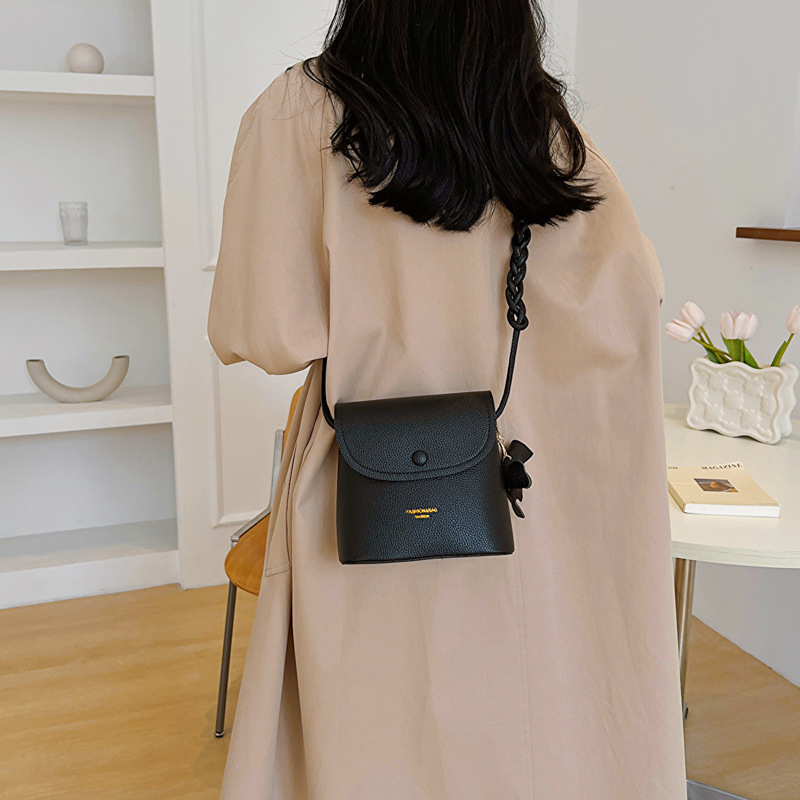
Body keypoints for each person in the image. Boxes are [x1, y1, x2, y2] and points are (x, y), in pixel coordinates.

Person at [207, 1, 687, 797]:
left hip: (378, 491)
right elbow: (634, 293)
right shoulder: (538, 122)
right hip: (541, 493)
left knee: (388, 731)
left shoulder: (301, 110)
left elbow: (264, 332)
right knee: (538, 722)